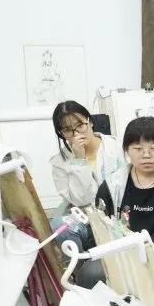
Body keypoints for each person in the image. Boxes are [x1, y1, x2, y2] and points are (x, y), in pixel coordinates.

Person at [75, 118, 154, 287]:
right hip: (120, 251)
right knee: (89, 273)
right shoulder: (113, 185)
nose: (146, 155)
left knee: (145, 271)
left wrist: (151, 245)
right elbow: (101, 223)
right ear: (127, 151)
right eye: (138, 149)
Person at [49, 100, 125, 249]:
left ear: (90, 121)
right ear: (62, 134)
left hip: (120, 212)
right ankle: (81, 264)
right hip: (87, 216)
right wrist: (79, 161)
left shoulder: (117, 146)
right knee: (60, 227)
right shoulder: (59, 162)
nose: (76, 133)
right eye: (68, 130)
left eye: (80, 125)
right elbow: (83, 200)